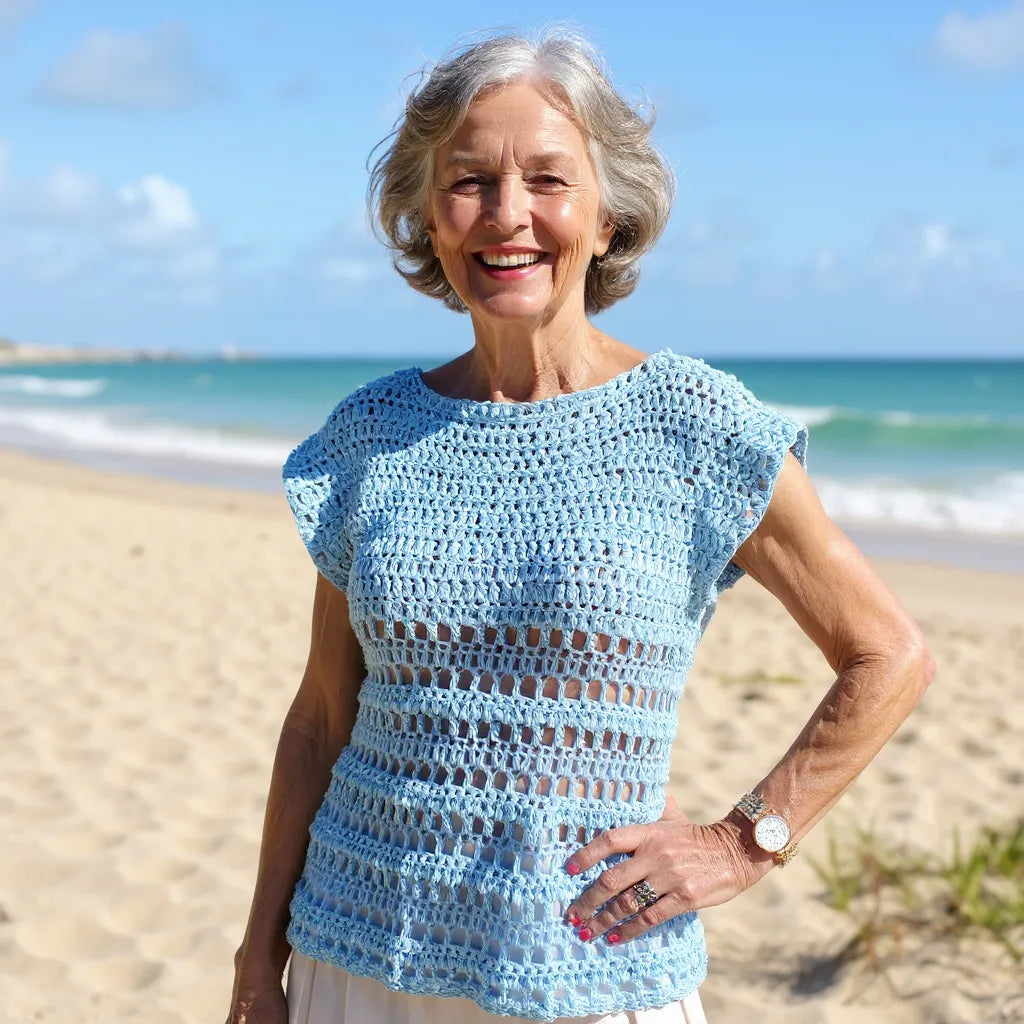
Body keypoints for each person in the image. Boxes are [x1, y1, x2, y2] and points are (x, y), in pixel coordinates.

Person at [226, 28, 935, 1024]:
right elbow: (319, 722)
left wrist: (742, 842)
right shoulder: (371, 435)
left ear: (608, 218)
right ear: (427, 217)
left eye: (548, 179)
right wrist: (257, 957)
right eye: (469, 180)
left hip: (588, 968)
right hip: (357, 955)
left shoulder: (696, 427)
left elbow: (889, 655)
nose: (507, 213)